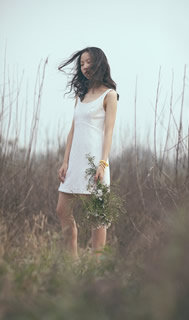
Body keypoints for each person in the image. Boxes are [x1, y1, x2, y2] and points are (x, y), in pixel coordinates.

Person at [56, 47, 119, 263]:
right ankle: (72, 264)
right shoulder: (80, 95)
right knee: (62, 209)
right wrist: (65, 161)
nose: (84, 67)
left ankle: (95, 268)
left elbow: (109, 131)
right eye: (82, 63)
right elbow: (73, 130)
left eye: (88, 62)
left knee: (97, 218)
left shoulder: (110, 95)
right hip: (75, 162)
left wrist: (102, 164)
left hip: (96, 162)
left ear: (99, 63)